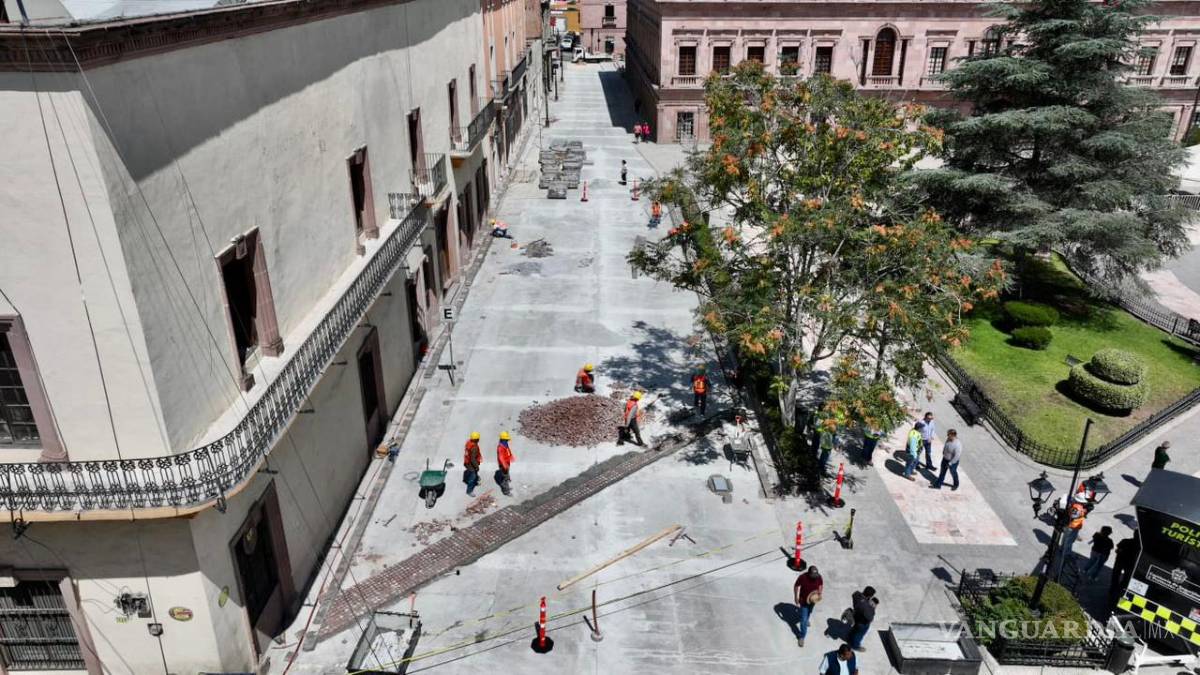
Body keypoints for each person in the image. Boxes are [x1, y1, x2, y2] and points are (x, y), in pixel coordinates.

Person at [1054, 492, 1088, 579]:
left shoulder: (1076, 505)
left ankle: (1064, 550)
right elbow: (1073, 516)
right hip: (1072, 527)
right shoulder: (1076, 507)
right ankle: (1065, 552)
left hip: (1072, 527)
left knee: (1067, 539)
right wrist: (1082, 512)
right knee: (1068, 540)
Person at [793, 565, 824, 648]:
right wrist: (796, 597)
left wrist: (819, 593)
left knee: (809, 612)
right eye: (813, 576)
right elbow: (796, 586)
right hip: (803, 601)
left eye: (816, 576)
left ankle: (807, 619)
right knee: (803, 620)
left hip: (813, 600)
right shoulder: (803, 577)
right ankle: (802, 636)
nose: (815, 578)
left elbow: (821, 584)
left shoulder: (819, 577)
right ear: (809, 574)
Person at [1109, 531, 1141, 606]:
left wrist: (1120, 552)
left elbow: (1117, 550)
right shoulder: (1140, 547)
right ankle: (1119, 591)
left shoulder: (1125, 541)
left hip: (1120, 561)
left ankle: (1113, 590)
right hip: (1130, 564)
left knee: (1116, 576)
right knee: (1126, 579)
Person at [847, 587, 877, 652]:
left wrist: (867, 601)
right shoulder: (866, 606)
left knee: (855, 629)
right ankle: (855, 646)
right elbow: (870, 617)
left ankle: (849, 638)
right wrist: (873, 608)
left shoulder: (857, 594)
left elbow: (854, 595)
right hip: (862, 622)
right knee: (859, 634)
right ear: (870, 596)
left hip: (856, 616)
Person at [463, 432, 482, 496]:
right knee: (472, 477)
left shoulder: (469, 443)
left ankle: (475, 480)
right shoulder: (474, 448)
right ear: (477, 439)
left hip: (467, 462)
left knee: (473, 474)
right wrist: (477, 466)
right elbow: (473, 459)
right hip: (471, 465)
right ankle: (469, 491)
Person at [496, 431, 514, 496]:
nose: (507, 440)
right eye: (506, 439)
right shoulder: (500, 447)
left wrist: (511, 455)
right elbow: (501, 457)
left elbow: (508, 450)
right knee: (504, 479)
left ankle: (507, 484)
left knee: (506, 475)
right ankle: (506, 491)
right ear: (503, 439)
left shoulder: (505, 444)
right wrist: (504, 465)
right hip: (504, 465)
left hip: (507, 463)